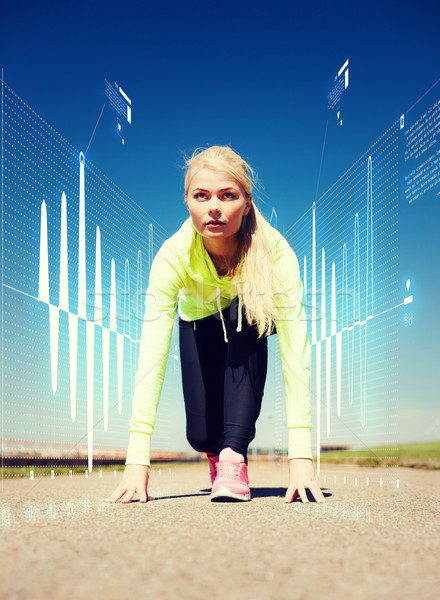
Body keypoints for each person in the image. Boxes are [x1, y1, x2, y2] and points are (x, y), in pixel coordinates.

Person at [104, 145, 325, 505]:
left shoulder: (276, 252)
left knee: (251, 312)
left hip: (246, 318)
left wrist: (300, 455)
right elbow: (152, 357)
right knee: (203, 435)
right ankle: (215, 451)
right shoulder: (173, 256)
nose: (215, 207)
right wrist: (137, 460)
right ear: (187, 202)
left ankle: (233, 457)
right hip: (198, 322)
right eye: (201, 196)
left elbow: (294, 350)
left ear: (247, 202)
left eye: (228, 195)